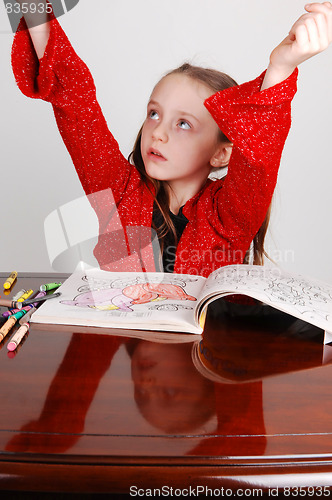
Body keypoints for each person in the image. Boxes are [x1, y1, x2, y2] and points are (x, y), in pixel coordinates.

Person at [11, 2, 332, 277]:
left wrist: (280, 67)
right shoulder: (118, 192)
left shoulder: (230, 216)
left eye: (183, 123)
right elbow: (76, 101)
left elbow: (258, 154)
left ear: (222, 153)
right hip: (128, 347)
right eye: (154, 114)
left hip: (204, 350)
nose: (158, 132)